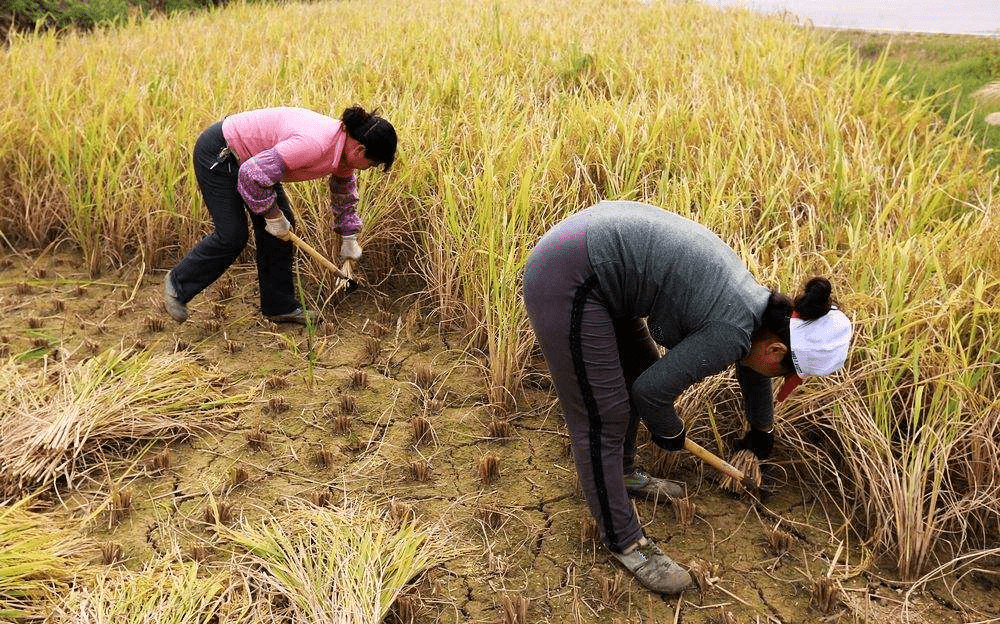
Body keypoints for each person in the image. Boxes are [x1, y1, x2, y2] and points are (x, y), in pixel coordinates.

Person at [522, 201, 852, 595]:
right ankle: (625, 540)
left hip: (597, 264)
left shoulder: (759, 310)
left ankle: (622, 473)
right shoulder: (734, 329)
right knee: (603, 416)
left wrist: (762, 429)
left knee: (640, 366)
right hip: (569, 276)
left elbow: (752, 367)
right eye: (784, 375)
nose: (776, 379)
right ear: (776, 352)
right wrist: (670, 432)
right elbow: (651, 393)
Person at [163, 105, 396, 324]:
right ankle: (178, 284)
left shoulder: (345, 149)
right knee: (232, 234)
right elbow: (251, 174)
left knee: (282, 231)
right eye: (373, 163)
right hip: (221, 154)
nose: (369, 168)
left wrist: (349, 237)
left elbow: (343, 191)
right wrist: (272, 216)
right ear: (360, 149)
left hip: (258, 164)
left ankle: (279, 306)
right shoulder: (315, 144)